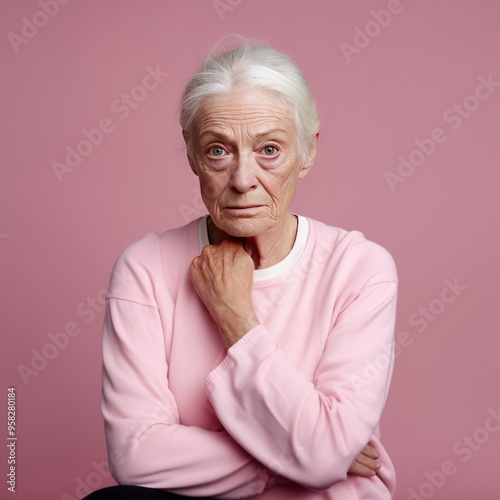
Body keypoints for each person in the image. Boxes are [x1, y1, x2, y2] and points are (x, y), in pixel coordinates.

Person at [84, 38, 398, 499]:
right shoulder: (145, 267)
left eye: (270, 149)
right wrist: (303, 457)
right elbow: (135, 455)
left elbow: (329, 454)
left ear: (307, 151)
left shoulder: (359, 268)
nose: (243, 179)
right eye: (218, 151)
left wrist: (235, 314)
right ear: (192, 154)